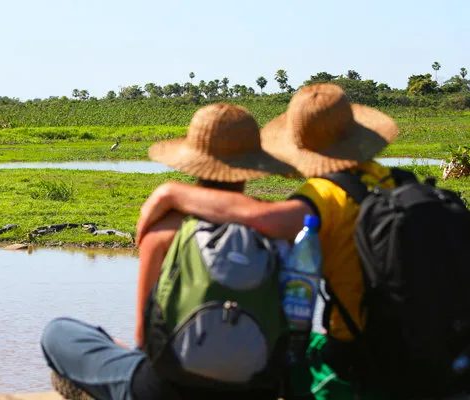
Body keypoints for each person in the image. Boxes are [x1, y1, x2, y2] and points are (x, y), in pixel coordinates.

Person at [136, 83, 400, 398]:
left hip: (355, 352)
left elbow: (265, 220)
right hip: (407, 335)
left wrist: (172, 192)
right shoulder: (388, 180)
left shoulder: (324, 196)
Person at [40, 103, 291, 400]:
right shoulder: (275, 229)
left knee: (57, 332)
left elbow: (143, 336)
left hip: (163, 391)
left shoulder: (163, 231)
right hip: (254, 388)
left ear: (192, 162)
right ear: (250, 168)